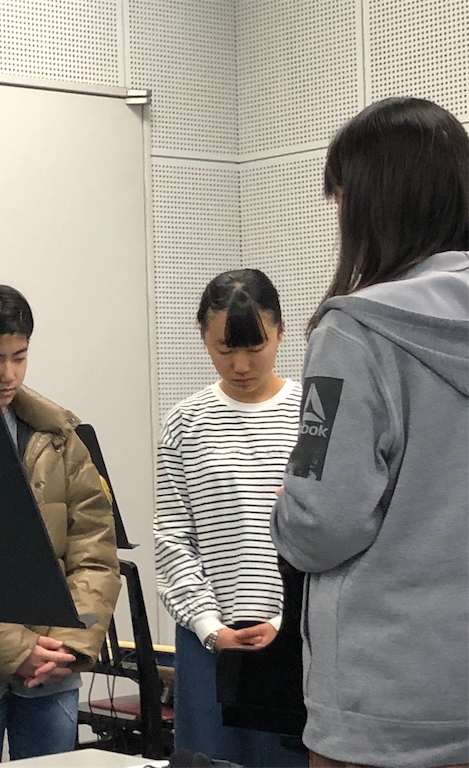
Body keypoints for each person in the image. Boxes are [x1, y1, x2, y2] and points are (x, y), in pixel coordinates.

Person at [270, 97, 469, 768]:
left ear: (369, 204)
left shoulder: (354, 333)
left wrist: (287, 511)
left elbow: (322, 522)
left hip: (385, 707)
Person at [0, 283, 120, 766]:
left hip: (53, 664)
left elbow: (96, 553)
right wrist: (17, 650)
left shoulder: (59, 437)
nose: (8, 375)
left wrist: (70, 644)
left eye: (20, 357)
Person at [153, 268, 307, 767]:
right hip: (209, 643)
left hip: (295, 640)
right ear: (203, 338)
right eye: (224, 349)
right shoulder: (185, 422)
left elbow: (328, 533)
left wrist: (286, 621)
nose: (240, 365)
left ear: (280, 331)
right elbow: (173, 539)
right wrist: (209, 625)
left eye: (255, 347)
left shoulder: (312, 416)